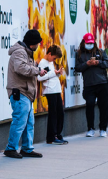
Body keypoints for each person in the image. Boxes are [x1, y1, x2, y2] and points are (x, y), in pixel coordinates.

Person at [4, 30, 46, 159]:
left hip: (26, 93)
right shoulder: (20, 52)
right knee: (20, 121)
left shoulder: (27, 52)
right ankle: (10, 148)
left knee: (28, 122)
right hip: (19, 91)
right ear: (33, 43)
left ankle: (27, 148)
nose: (38, 45)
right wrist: (38, 70)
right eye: (38, 42)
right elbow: (20, 68)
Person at [75, 33, 108, 137]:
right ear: (84, 42)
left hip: (102, 83)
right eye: (88, 43)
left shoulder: (100, 52)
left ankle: (103, 129)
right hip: (89, 84)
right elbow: (77, 68)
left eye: (91, 43)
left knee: (103, 107)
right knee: (90, 105)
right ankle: (90, 128)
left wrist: (98, 63)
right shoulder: (80, 54)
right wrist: (87, 64)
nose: (90, 44)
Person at [37, 45, 68, 145]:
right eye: (54, 58)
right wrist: (53, 73)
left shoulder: (50, 62)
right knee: (53, 114)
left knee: (60, 113)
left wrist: (57, 73)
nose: (54, 60)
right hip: (50, 91)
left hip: (55, 89)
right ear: (49, 54)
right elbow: (40, 78)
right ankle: (52, 136)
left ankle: (57, 134)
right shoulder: (42, 63)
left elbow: (50, 75)